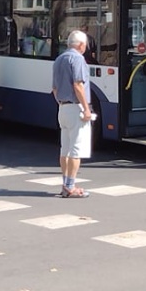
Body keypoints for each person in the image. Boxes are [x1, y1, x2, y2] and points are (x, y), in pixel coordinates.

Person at [51, 30, 93, 198]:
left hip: (62, 107)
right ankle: (70, 187)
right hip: (76, 108)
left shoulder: (59, 59)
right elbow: (78, 85)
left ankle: (65, 184)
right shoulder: (77, 59)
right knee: (76, 149)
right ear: (81, 45)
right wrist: (87, 108)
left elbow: (54, 88)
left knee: (65, 148)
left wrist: (61, 103)